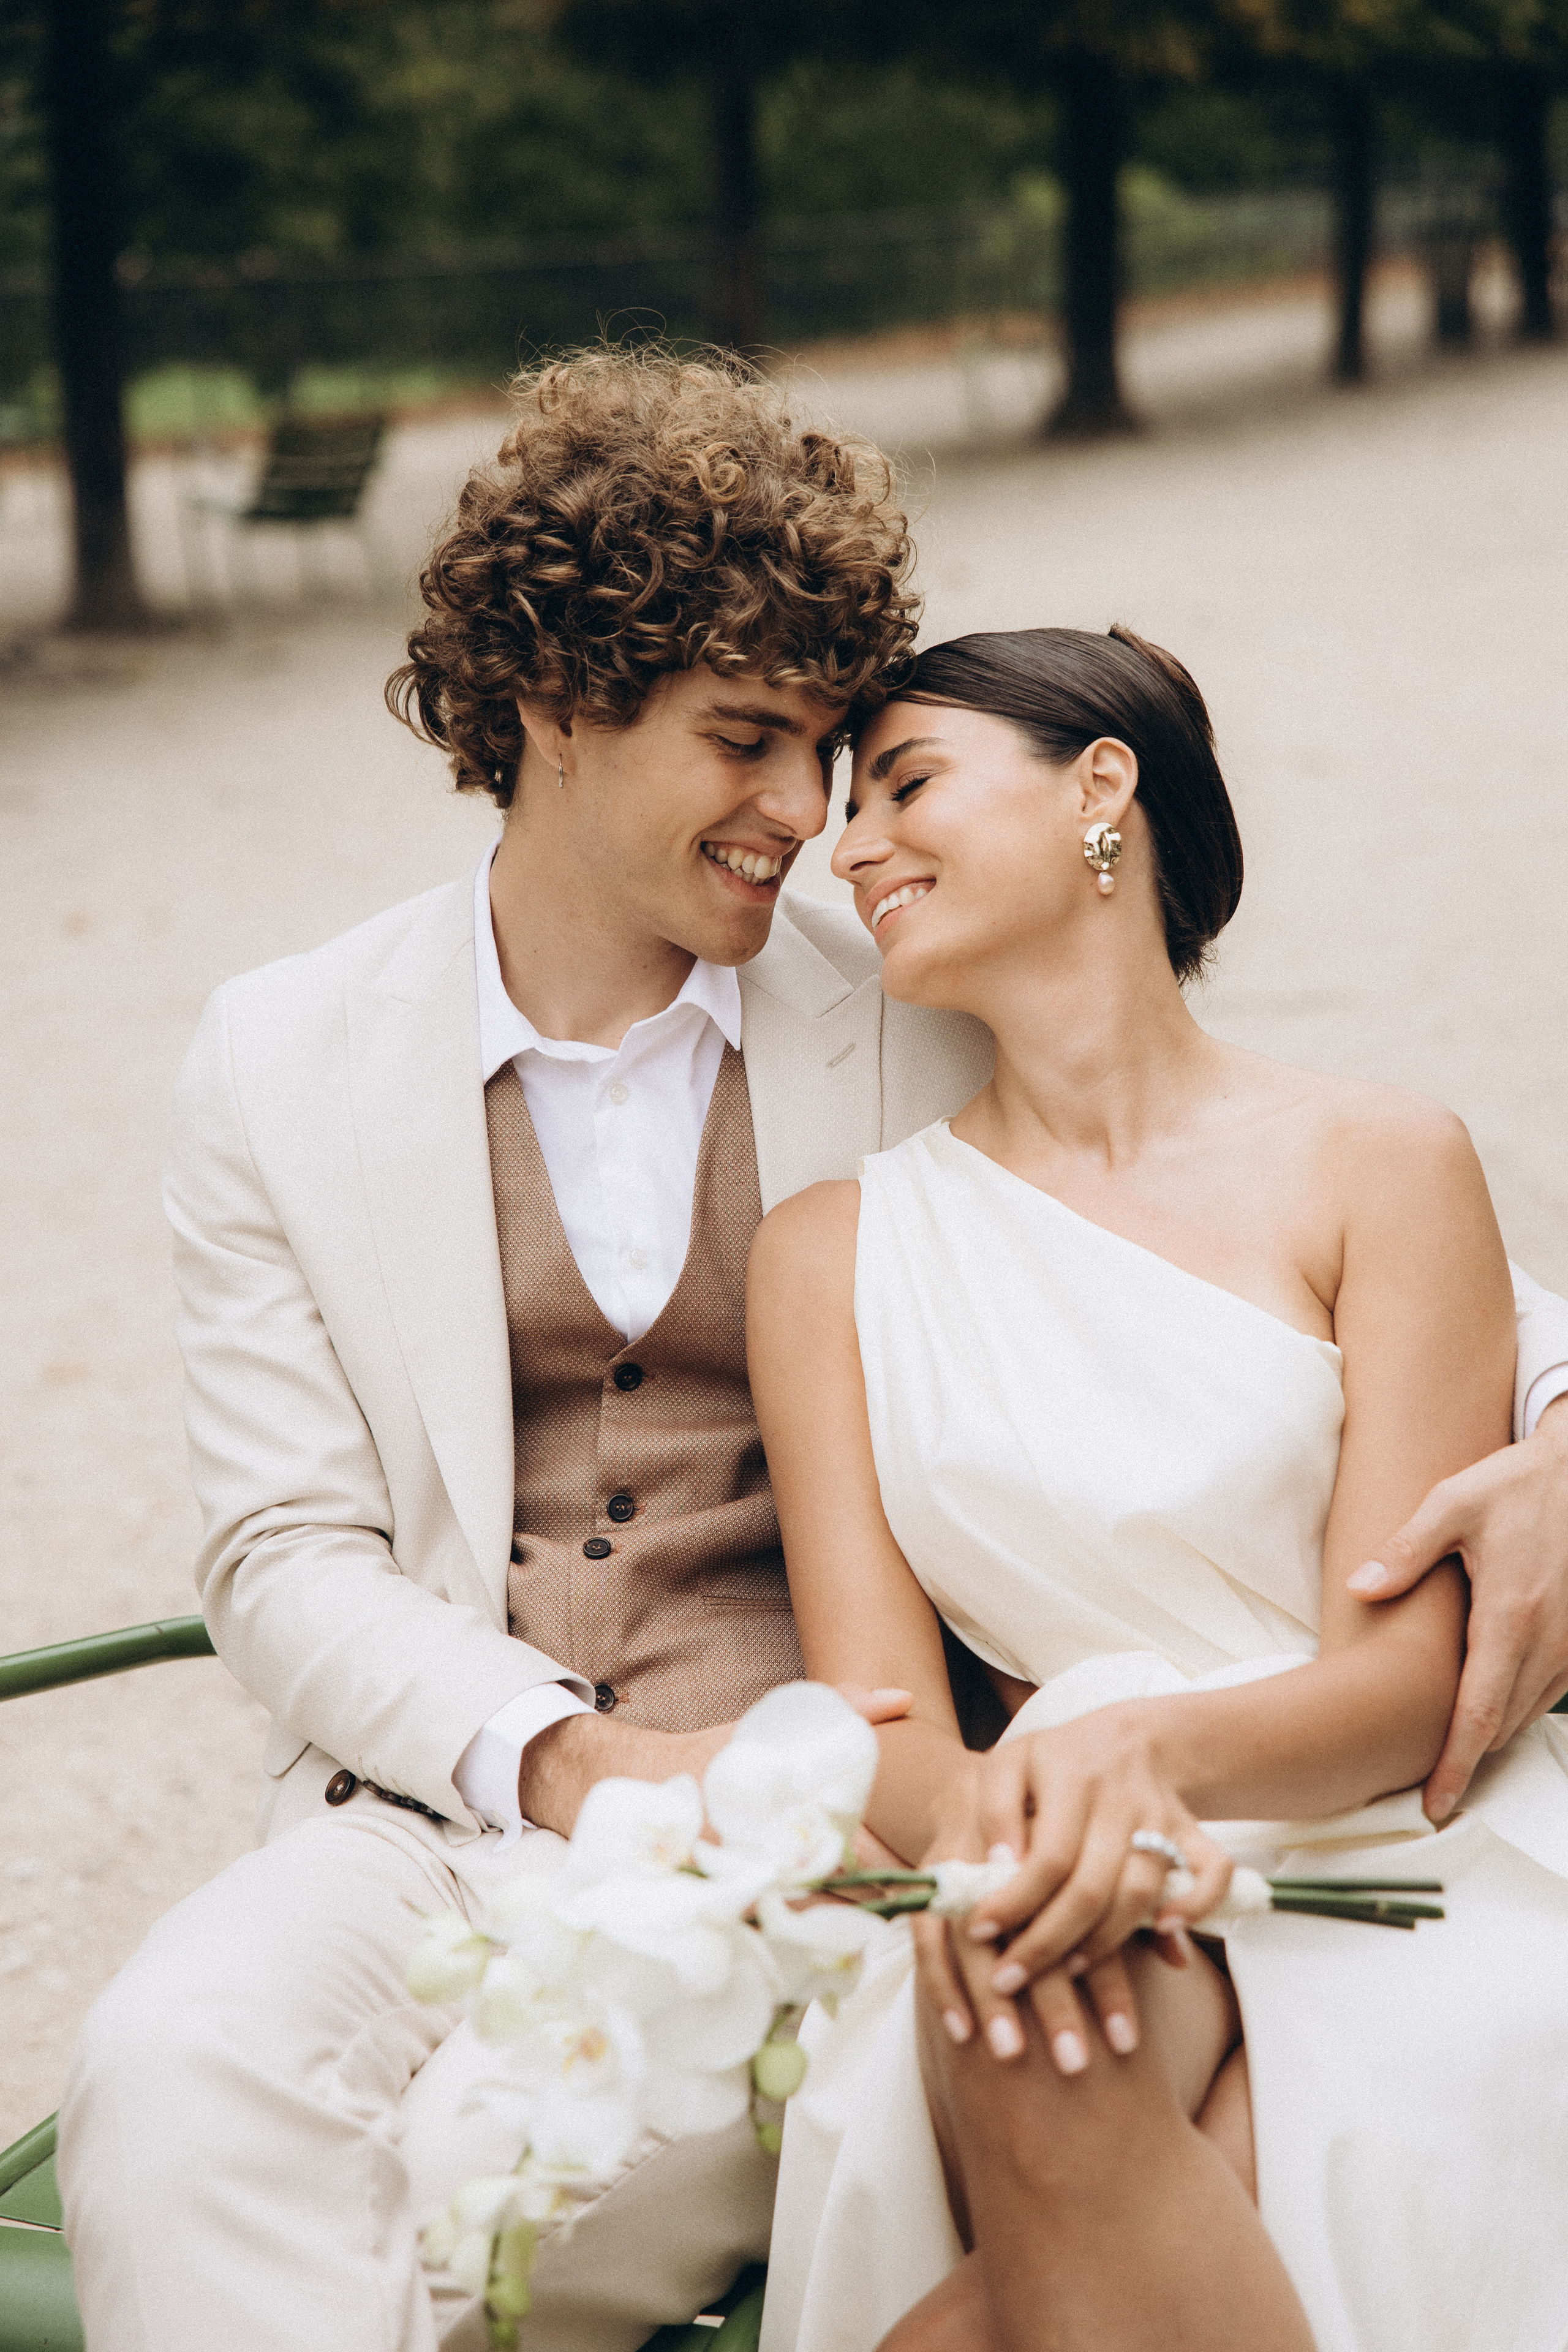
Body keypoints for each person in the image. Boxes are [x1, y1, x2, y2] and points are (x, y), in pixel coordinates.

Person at [51, 344, 1567, 2350]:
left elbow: (1282, 1230)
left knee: (481, 2203)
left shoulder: (919, 982)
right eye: (750, 742)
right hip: (424, 1810)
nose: (810, 819)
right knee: (165, 2076)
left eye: (839, 754)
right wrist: (572, 1759)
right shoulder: (282, 1055)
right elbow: (278, 1553)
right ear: (556, 702)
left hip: (822, 1835)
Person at [749, 625, 1568, 2352]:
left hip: (1395, 1836)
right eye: (846, 809)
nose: (849, 847)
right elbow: (874, 1721)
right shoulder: (829, 1255)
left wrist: (1143, 1759)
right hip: (1050, 1842)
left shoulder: (1382, 1161)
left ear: (1101, 787)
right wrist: (1034, 1829)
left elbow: (1411, 1681)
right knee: (1016, 1978)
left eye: (903, 785)